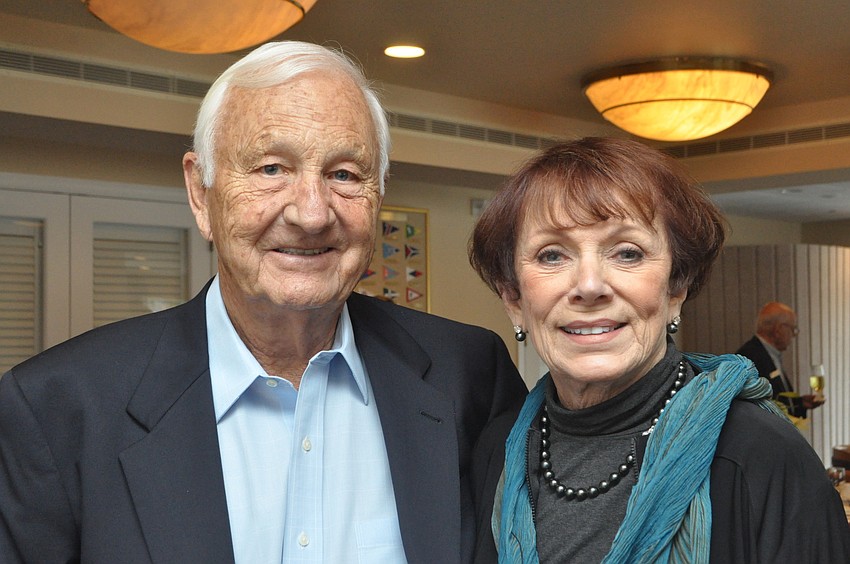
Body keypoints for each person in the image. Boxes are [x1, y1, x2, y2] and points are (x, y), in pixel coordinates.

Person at [0, 41, 526, 563]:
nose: (312, 214)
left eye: (344, 174)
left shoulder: (470, 375)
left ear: (379, 194)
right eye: (271, 168)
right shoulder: (55, 410)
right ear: (200, 194)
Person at [467, 138, 850, 563]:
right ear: (514, 298)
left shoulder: (761, 456)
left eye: (627, 253)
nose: (589, 285)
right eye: (552, 255)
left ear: (676, 288)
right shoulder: (496, 449)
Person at [736, 301, 823, 418]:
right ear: (778, 330)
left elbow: (776, 398)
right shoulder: (750, 358)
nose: (793, 335)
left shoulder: (770, 354)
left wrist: (800, 403)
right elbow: (757, 408)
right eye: (793, 329)